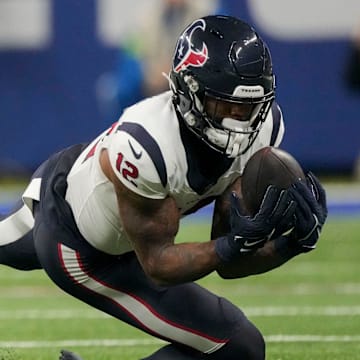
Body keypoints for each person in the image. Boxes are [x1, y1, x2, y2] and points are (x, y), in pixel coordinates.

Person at [0, 15, 327, 360]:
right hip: (82, 246)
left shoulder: (264, 131)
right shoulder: (148, 146)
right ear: (190, 93)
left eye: (248, 108)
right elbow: (158, 265)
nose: (239, 121)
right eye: (225, 105)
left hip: (80, 181)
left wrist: (290, 245)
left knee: (243, 347)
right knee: (238, 345)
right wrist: (231, 245)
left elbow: (230, 264)